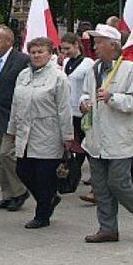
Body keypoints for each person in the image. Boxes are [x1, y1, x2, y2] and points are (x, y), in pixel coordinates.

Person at [79, 23, 133, 243]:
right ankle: (107, 228)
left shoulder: (129, 69)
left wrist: (113, 98)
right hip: (96, 138)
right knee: (100, 186)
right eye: (95, 42)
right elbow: (85, 94)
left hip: (119, 137)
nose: (95, 47)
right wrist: (84, 103)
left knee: (118, 182)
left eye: (99, 43)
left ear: (113, 46)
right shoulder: (93, 69)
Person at [9, 37, 72, 229]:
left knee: (44, 177)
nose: (36, 55)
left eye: (40, 51)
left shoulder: (58, 78)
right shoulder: (23, 75)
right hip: (25, 133)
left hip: (48, 133)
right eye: (33, 52)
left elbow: (64, 109)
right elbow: (15, 104)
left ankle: (42, 215)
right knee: (23, 171)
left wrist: (67, 136)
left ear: (50, 53)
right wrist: (12, 129)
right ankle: (50, 200)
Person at [0, 25, 30, 211]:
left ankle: (20, 191)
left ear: (9, 42)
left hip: (12, 115)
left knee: (7, 154)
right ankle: (7, 194)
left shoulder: (21, 61)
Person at [57, 32, 94, 194]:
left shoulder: (88, 63)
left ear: (76, 45)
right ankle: (72, 176)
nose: (64, 52)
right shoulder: (65, 62)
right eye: (62, 48)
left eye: (67, 48)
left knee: (88, 145)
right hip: (69, 110)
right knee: (74, 146)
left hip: (83, 110)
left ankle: (95, 178)